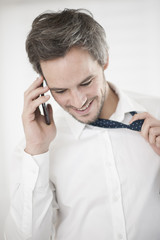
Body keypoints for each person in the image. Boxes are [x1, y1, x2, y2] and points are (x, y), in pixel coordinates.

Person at [4, 8, 160, 240]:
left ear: (104, 59)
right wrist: (37, 151)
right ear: (42, 84)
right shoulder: (36, 149)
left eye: (86, 82)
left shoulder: (157, 113)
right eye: (60, 90)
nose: (78, 101)